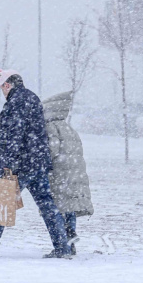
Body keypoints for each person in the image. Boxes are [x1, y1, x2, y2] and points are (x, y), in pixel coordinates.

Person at [0, 69, 73, 259]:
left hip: (21, 163)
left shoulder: (14, 103)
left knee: (2, 200)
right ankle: (62, 247)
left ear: (7, 85)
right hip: (38, 162)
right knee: (47, 205)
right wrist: (0, 134)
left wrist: (7, 166)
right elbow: (24, 132)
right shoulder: (31, 98)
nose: (2, 91)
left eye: (2, 87)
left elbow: (16, 137)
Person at [42, 91, 94, 255]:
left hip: (60, 174)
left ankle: (64, 242)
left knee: (57, 208)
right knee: (69, 207)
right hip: (73, 174)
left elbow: (52, 149)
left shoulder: (51, 126)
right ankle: (70, 241)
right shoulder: (69, 128)